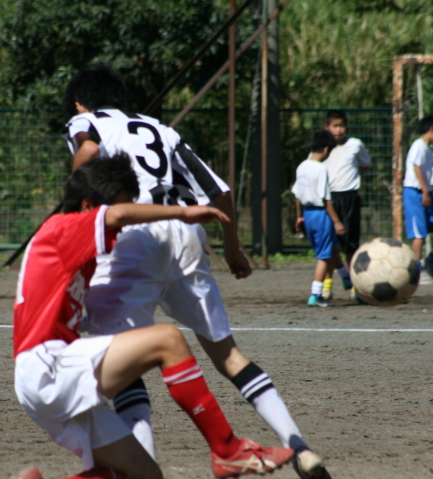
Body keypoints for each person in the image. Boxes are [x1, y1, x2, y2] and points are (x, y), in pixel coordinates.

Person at [61, 65, 332, 479]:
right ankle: (299, 446)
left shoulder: (86, 121)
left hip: (135, 235)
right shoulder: (160, 129)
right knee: (229, 356)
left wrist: (70, 212)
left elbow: (88, 152)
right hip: (184, 234)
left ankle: (143, 471)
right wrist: (233, 247)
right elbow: (219, 191)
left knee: (126, 367)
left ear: (81, 104)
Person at [13, 155, 294, 479]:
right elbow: (118, 215)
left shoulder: (71, 247)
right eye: (118, 209)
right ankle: (227, 450)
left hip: (44, 375)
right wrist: (183, 212)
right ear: (88, 205)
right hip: (47, 367)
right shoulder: (63, 228)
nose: (122, 227)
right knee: (168, 340)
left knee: (144, 473)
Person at [321, 110, 371, 301]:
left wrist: (352, 177)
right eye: (335, 126)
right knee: (329, 246)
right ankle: (327, 286)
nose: (338, 130)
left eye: (341, 126)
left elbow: (365, 164)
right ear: (327, 127)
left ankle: (355, 288)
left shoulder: (355, 144)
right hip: (328, 199)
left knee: (351, 245)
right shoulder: (322, 147)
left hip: (350, 198)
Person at [292, 130, 346, 307]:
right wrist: (337, 221)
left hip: (308, 214)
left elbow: (297, 195)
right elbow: (325, 199)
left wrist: (299, 216)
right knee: (324, 256)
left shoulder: (302, 166)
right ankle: (315, 295)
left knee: (333, 247)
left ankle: (347, 279)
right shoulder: (321, 168)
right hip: (321, 214)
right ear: (325, 149)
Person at [402, 115, 433, 284]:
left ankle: (431, 259)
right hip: (415, 192)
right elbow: (416, 167)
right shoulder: (418, 145)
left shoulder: (428, 150)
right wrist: (424, 191)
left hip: (426, 192)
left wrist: (427, 191)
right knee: (419, 235)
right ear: (431, 130)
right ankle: (417, 272)